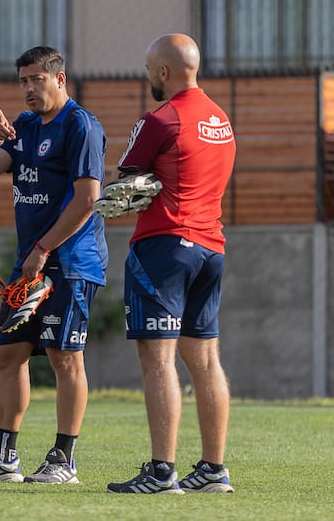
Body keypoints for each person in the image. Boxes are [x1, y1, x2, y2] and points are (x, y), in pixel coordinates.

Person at [0, 46, 108, 484]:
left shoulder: (81, 125)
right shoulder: (24, 126)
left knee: (64, 357)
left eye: (37, 79)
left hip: (70, 261)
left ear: (60, 79)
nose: (29, 88)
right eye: (23, 81)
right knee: (7, 355)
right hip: (30, 262)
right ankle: (2, 458)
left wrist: (44, 249)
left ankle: (63, 460)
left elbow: (88, 198)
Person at [106, 34, 236, 494]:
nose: (147, 79)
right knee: (205, 359)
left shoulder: (161, 118)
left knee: (157, 359)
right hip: (211, 246)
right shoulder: (222, 119)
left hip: (165, 247)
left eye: (149, 71)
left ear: (164, 72)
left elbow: (128, 182)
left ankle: (162, 472)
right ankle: (213, 471)